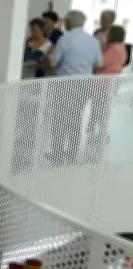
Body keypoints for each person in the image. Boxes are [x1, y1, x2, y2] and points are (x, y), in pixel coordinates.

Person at [45, 10, 104, 164]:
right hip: (84, 84)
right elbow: (99, 64)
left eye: (65, 20)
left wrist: (48, 57)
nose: (64, 22)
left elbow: (52, 63)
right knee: (76, 119)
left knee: (59, 119)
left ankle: (57, 153)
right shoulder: (93, 41)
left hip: (64, 83)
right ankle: (71, 153)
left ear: (70, 22)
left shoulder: (66, 38)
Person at [88, 25, 127, 144]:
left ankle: (100, 135)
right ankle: (99, 134)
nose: (106, 35)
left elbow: (100, 63)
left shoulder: (114, 48)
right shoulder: (121, 47)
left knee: (100, 110)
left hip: (103, 84)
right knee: (102, 110)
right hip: (109, 83)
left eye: (108, 33)